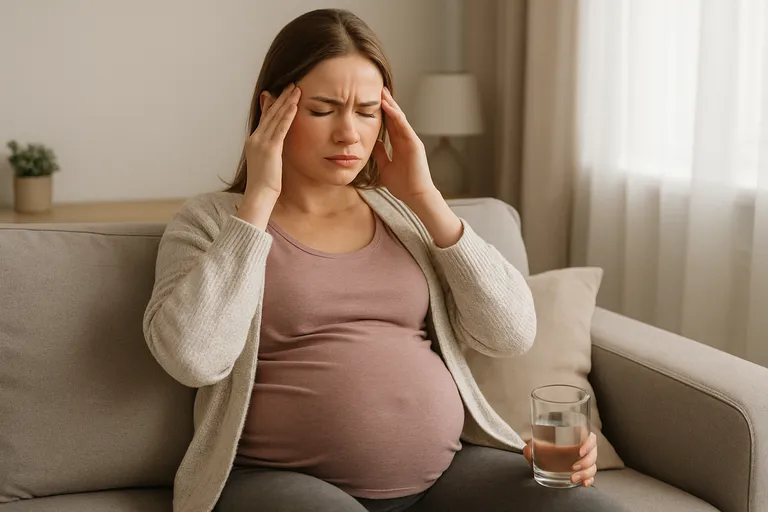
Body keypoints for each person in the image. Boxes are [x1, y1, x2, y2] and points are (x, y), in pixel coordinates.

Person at [143, 8, 627, 512]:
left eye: (367, 111)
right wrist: (259, 202)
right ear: (271, 110)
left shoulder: (404, 215)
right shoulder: (213, 222)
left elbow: (511, 334)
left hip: (446, 477)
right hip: (275, 482)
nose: (349, 133)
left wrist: (424, 195)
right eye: (324, 109)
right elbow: (191, 359)